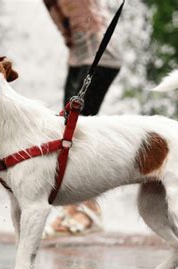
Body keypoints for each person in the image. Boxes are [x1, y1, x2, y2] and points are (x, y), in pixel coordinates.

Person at [43, 0, 122, 236]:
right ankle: (79, 208)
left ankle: (85, 210)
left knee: (73, 132)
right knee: (65, 130)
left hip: (101, 58)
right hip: (80, 58)